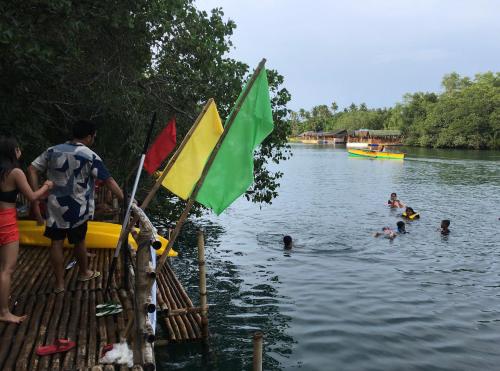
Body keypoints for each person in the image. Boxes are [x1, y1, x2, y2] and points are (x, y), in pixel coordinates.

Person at [28, 120, 124, 293]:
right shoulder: (90, 156)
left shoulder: (52, 150)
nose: (94, 139)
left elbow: (32, 169)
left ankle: (59, 284)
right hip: (77, 208)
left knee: (56, 243)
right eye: (94, 136)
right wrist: (123, 197)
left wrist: (36, 194)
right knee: (79, 241)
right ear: (89, 136)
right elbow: (108, 180)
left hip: (54, 206)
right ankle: (84, 272)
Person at [0, 136, 54, 323]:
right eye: (18, 148)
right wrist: (46, 186)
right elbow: (32, 197)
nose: (20, 150)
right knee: (7, 268)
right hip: (6, 222)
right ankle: (4, 312)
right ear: (13, 151)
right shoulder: (15, 172)